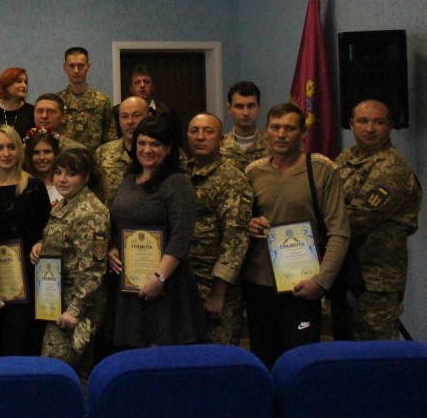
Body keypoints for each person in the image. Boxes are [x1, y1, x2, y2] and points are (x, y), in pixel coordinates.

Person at [243, 103, 349, 367]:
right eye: (275, 127)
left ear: (303, 133)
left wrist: (321, 282)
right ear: (266, 131)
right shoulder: (253, 172)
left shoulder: (322, 170)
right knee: (264, 362)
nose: (281, 134)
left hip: (302, 286)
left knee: (301, 364)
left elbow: (339, 232)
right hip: (259, 285)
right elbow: (238, 223)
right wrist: (249, 224)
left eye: (289, 128)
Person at [108, 115, 203, 348]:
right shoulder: (129, 179)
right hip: (130, 284)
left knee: (161, 354)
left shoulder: (178, 183)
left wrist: (159, 278)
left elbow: (181, 237)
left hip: (167, 287)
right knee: (133, 353)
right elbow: (117, 222)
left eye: (155, 144)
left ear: (169, 148)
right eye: (142, 143)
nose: (147, 150)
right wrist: (113, 248)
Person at [332, 99, 421, 341]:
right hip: (346, 273)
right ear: (351, 125)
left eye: (378, 122)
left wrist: (310, 223)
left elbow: (357, 217)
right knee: (346, 346)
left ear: (390, 126)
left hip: (376, 281)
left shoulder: (392, 167)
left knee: (375, 351)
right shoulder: (346, 158)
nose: (370, 129)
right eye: (363, 121)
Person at [29, 148, 109, 382]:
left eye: (71, 174)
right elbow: (65, 241)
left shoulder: (90, 212)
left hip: (78, 307)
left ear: (86, 177)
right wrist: (42, 245)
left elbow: (94, 269)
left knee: (54, 373)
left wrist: (75, 310)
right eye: (58, 172)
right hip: (57, 299)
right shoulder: (66, 204)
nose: (62, 179)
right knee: (75, 376)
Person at [0, 125, 50, 355]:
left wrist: (42, 242)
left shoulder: (34, 187)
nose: (6, 153)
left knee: (21, 344)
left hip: (28, 279)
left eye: (11, 147)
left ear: (19, 150)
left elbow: (47, 229)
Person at [185, 113, 252, 345]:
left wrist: (219, 292)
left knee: (218, 357)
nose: (200, 137)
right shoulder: (181, 174)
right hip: (185, 284)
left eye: (208, 131)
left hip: (215, 287)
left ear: (221, 139)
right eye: (194, 131)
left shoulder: (232, 180)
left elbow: (236, 240)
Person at [58, 47, 116, 151]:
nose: (76, 70)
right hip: (65, 158)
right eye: (72, 66)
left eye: (81, 65)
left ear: (88, 67)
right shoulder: (58, 101)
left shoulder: (102, 100)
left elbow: (110, 139)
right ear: (64, 68)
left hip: (95, 159)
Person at [94, 96, 149, 207]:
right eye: (124, 116)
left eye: (137, 115)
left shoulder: (160, 153)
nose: (130, 122)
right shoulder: (103, 152)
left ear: (149, 117)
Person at [113, 65, 182, 147]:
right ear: (131, 88)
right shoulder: (117, 111)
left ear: (153, 87)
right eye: (137, 82)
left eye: (146, 81)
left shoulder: (167, 112)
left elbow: (176, 142)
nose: (142, 85)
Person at [220, 81, 271, 172]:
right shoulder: (218, 147)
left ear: (258, 108)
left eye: (251, 106)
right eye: (239, 107)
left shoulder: (273, 145)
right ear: (229, 108)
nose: (246, 113)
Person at [0, 67, 35, 139]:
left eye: (25, 82)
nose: (24, 86)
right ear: (6, 85)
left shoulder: (32, 112)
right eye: (19, 81)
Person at [23, 126, 62, 206]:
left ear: (55, 154)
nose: (42, 157)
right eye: (36, 152)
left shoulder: (65, 184)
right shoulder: (22, 186)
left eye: (47, 152)